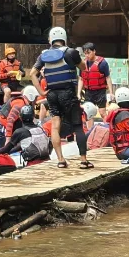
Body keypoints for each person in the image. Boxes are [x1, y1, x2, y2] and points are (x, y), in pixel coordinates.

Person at [28, 27, 92, 170]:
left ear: (51, 39)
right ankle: (83, 161)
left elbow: (32, 74)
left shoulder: (43, 55)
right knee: (77, 126)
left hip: (52, 94)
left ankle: (61, 160)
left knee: (55, 126)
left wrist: (42, 92)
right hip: (68, 93)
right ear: (64, 38)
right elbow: (84, 68)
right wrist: (80, 59)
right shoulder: (70, 52)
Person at [79, 43, 113, 109]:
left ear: (94, 51)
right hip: (88, 91)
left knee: (102, 112)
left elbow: (108, 78)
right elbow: (81, 79)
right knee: (88, 112)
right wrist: (78, 93)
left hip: (100, 91)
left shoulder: (102, 63)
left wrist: (111, 93)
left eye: (88, 53)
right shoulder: (83, 63)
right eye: (85, 53)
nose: (87, 55)